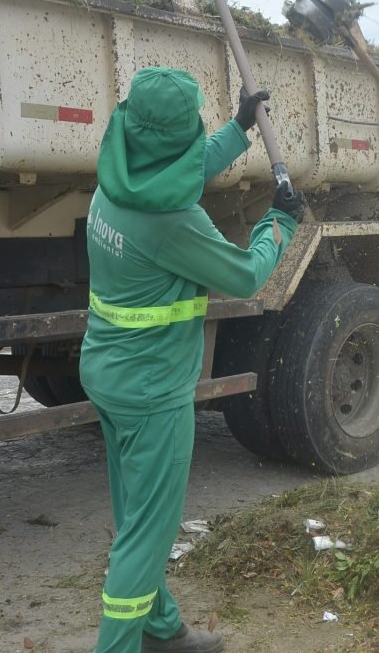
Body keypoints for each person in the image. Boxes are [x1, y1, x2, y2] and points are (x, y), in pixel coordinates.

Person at [80, 67, 304, 653]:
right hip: (152, 390)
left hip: (108, 371)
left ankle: (161, 628)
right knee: (146, 536)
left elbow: (180, 168)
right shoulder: (174, 223)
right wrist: (279, 222)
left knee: (137, 515)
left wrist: (238, 128)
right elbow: (246, 275)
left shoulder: (114, 181)